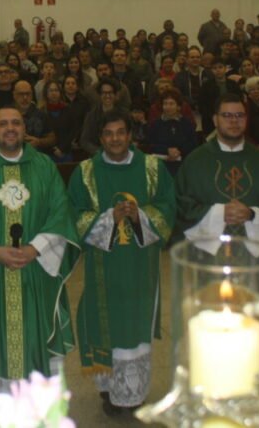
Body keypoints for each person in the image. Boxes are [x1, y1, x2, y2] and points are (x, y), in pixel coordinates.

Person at [69, 110, 175, 416]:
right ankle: (108, 388)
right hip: (103, 265)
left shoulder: (153, 168)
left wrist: (139, 215)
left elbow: (168, 207)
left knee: (134, 326)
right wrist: (108, 219)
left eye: (120, 132)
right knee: (105, 324)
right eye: (108, 134)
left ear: (130, 135)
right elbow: (75, 213)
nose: (115, 139)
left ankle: (133, 395)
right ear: (100, 138)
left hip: (141, 266)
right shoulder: (86, 172)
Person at [0, 105, 79, 388]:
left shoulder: (43, 166)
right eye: (2, 123)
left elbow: (60, 209)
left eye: (16, 123)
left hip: (36, 270)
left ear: (24, 129)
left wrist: (34, 248)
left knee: (35, 334)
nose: (10, 128)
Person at [176, 93, 259, 247]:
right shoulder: (195, 161)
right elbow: (182, 205)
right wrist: (219, 213)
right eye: (227, 115)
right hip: (205, 252)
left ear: (246, 120)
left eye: (239, 115)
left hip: (254, 251)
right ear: (215, 120)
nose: (234, 120)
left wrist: (252, 213)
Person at [146, 89, 197, 177]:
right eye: (165, 104)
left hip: (183, 165)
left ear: (178, 106)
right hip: (161, 165)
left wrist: (178, 151)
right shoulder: (155, 124)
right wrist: (167, 150)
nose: (168, 107)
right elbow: (150, 144)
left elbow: (193, 144)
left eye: (171, 104)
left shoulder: (187, 124)